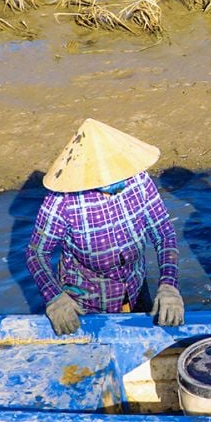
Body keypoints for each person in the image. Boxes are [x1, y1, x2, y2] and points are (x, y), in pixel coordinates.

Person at [25, 119, 184, 335]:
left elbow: (164, 233)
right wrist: (54, 296)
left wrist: (169, 285)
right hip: (86, 301)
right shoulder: (62, 202)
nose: (117, 183)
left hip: (135, 285)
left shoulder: (139, 181)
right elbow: (37, 252)